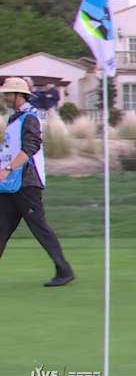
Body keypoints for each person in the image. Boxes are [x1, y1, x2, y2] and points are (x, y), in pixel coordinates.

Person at [0, 77, 75, 287]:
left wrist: (7, 169)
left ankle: (64, 270)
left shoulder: (29, 118)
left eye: (8, 93)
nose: (5, 97)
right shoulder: (16, 118)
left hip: (26, 184)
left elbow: (30, 147)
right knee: (1, 228)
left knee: (39, 227)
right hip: (11, 184)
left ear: (18, 95)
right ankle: (64, 270)